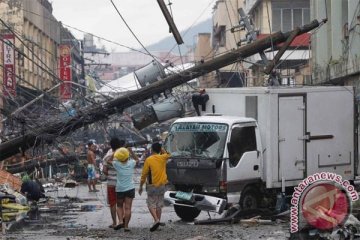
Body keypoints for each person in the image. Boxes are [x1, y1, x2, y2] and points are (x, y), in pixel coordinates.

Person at [139, 142, 171, 232]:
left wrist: (141, 186)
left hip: (151, 185)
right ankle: (157, 222)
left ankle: (156, 220)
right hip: (162, 185)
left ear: (152, 149)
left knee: (150, 204)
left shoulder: (149, 159)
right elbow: (169, 154)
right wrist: (162, 149)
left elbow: (144, 174)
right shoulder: (163, 157)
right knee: (159, 205)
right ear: (159, 150)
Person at [110, 147, 139, 232]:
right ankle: (126, 226)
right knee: (128, 208)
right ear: (127, 156)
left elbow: (109, 160)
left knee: (119, 206)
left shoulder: (116, 164)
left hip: (120, 189)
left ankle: (120, 221)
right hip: (130, 188)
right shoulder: (131, 163)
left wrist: (115, 152)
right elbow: (137, 160)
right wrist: (131, 152)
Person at [102, 137, 124, 228]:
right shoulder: (123, 155)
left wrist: (110, 175)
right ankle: (121, 221)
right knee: (120, 203)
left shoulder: (107, 156)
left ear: (111, 146)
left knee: (112, 203)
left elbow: (104, 170)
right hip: (122, 183)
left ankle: (114, 222)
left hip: (111, 183)